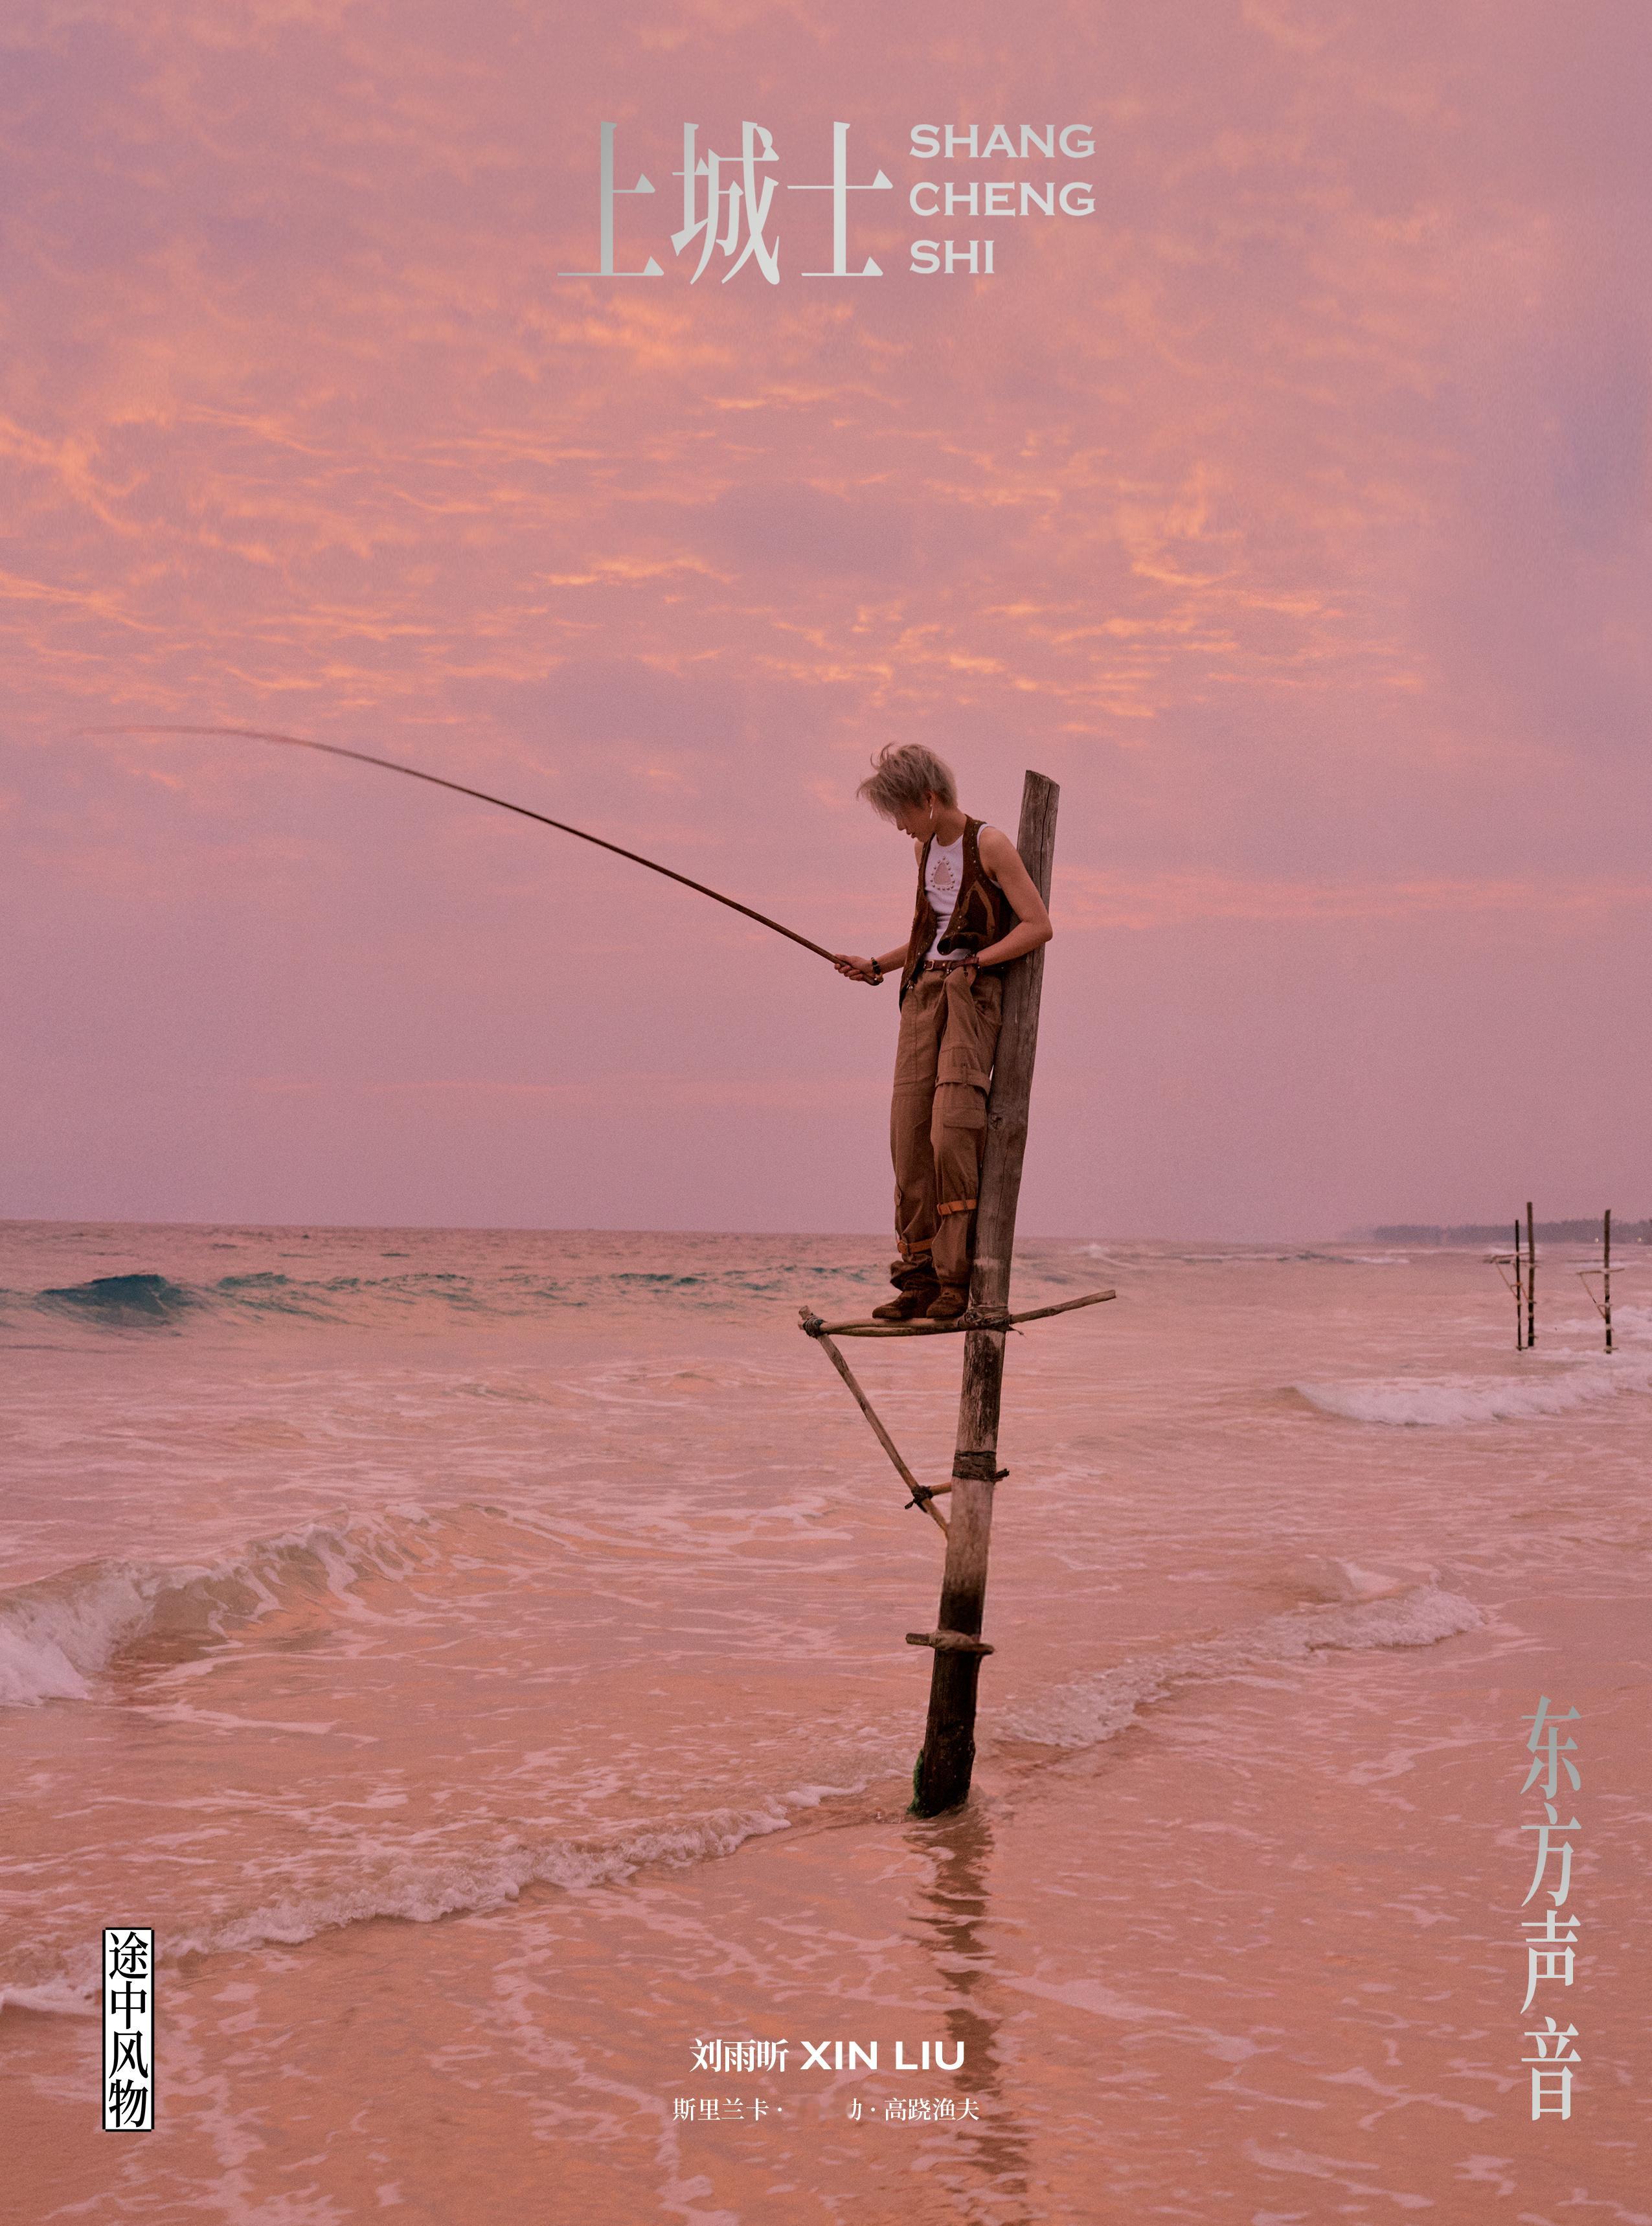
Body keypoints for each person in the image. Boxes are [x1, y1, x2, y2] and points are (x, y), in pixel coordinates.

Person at [833, 744, 1054, 1322]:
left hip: (969, 997)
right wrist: (875, 965)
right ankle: (918, 1279)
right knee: (908, 1137)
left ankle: (955, 1280)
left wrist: (977, 963)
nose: (899, 826)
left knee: (951, 1132)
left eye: (901, 812)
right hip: (921, 996)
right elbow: (927, 936)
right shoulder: (923, 850)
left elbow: (1037, 925)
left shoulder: (990, 844)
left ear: (928, 799)